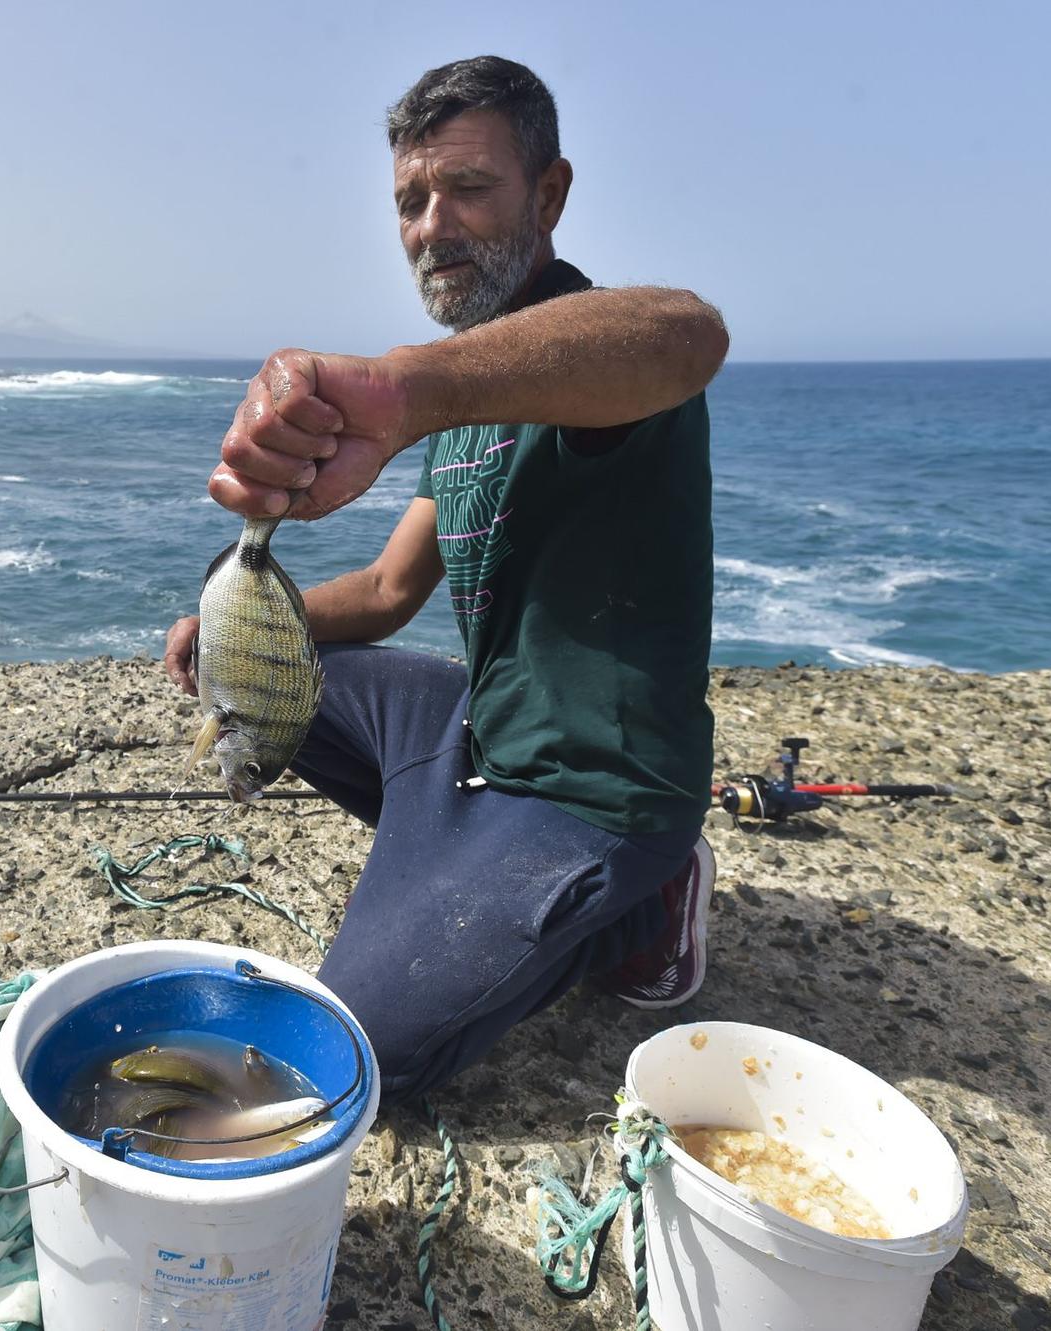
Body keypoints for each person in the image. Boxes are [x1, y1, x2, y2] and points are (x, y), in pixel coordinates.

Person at [162, 56, 727, 1100]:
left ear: (548, 194)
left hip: (592, 791)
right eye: (411, 201)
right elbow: (384, 591)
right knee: (269, 687)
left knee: (348, 1056)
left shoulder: (592, 362)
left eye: (469, 187)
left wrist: (397, 386)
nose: (433, 225)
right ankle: (457, 846)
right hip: (476, 730)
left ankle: (632, 911)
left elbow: (688, 333)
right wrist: (224, 624)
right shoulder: (464, 392)